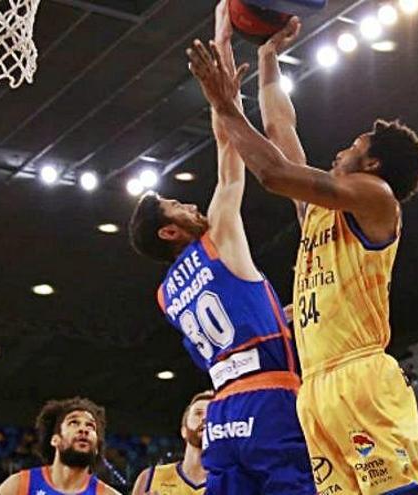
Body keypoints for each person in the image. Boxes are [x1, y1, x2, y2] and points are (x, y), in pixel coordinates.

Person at [186, 16, 418, 494]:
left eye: (354, 147)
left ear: (373, 164)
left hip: (360, 378)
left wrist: (223, 104)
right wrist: (268, 57)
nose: (341, 151)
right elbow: (281, 128)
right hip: (315, 388)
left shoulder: (377, 197)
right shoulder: (321, 212)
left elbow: (274, 173)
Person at [128, 3, 314, 493]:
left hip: (222, 414)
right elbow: (229, 152)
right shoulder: (217, 239)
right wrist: (223, 55)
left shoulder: (166, 294)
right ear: (169, 232)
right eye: (175, 207)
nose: (188, 204)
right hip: (269, 396)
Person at [0, 397, 120, 495]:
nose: (84, 429)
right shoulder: (18, 486)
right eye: (74, 422)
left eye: (90, 426)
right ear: (55, 440)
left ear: (97, 447)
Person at [131, 391, 212, 495]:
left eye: (211, 414)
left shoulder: (233, 481)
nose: (205, 418)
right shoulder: (150, 477)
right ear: (183, 430)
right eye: (198, 413)